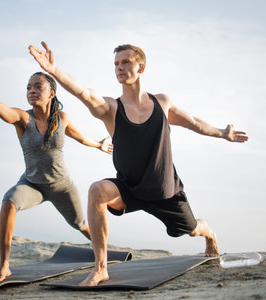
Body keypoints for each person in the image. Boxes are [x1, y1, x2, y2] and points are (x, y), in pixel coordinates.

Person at [29, 41, 249, 286]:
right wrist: (54, 70)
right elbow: (84, 93)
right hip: (128, 188)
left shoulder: (162, 103)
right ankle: (100, 268)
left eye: (126, 62)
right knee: (97, 191)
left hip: (165, 192)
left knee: (192, 228)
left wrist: (222, 133)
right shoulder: (111, 108)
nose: (119, 68)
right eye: (116, 64)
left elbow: (194, 123)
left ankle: (210, 234)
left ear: (141, 67)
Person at [0, 56, 113, 282]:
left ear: (51, 93)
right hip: (32, 185)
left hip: (62, 186)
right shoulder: (22, 118)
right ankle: (4, 265)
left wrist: (99, 144)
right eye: (28, 87)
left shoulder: (62, 118)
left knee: (80, 224)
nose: (31, 91)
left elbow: (80, 137)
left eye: (38, 86)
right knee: (9, 200)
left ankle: (102, 254)